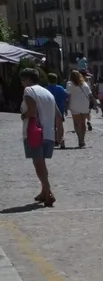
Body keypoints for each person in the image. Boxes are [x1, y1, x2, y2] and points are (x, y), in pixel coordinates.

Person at [20, 68, 64, 207]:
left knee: (38, 164)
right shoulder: (47, 93)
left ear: (28, 79)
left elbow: (32, 112)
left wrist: (23, 115)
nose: (21, 83)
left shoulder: (29, 90)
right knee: (42, 163)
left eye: (22, 80)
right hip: (48, 133)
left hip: (35, 132)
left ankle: (48, 192)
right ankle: (43, 192)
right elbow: (59, 116)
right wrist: (59, 134)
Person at [65, 69, 93, 148]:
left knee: (77, 123)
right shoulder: (84, 83)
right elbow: (90, 94)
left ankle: (80, 139)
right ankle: (82, 140)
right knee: (83, 123)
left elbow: (68, 95)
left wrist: (67, 106)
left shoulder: (69, 84)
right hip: (85, 105)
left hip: (74, 105)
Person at [45, 73, 68, 149]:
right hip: (60, 109)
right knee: (60, 125)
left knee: (52, 126)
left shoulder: (46, 89)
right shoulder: (61, 88)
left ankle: (55, 140)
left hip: (49, 110)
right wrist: (66, 108)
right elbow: (65, 98)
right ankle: (61, 139)